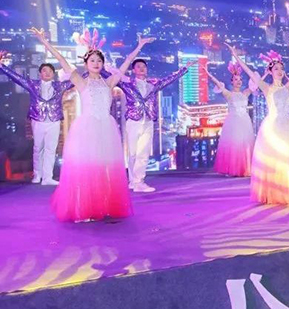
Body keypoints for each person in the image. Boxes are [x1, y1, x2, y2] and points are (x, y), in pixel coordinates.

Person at [30, 27, 152, 222]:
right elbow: (61, 59)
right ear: (86, 64)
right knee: (85, 170)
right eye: (92, 60)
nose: (96, 63)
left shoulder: (109, 82)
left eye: (99, 61)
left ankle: (103, 205)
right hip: (87, 129)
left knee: (105, 169)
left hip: (106, 129)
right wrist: (44, 41)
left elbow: (125, 64)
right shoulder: (80, 81)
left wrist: (139, 46)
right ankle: (82, 209)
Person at [231, 44, 289, 205]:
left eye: (281, 68)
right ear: (270, 71)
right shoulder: (266, 88)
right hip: (273, 126)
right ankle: (274, 192)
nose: (280, 71)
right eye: (276, 69)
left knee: (288, 159)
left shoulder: (288, 86)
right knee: (274, 159)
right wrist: (235, 56)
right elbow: (249, 72)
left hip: (287, 127)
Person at [115, 57, 191, 193]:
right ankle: (132, 181)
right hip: (133, 121)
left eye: (143, 66)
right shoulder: (127, 84)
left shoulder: (153, 83)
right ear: (133, 70)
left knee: (143, 153)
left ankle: (139, 181)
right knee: (132, 154)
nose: (141, 69)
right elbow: (111, 77)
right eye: (138, 67)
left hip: (148, 121)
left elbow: (169, 79)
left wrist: (184, 69)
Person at [0, 51, 73, 185]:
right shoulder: (33, 84)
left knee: (51, 149)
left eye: (50, 71)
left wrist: (91, 70)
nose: (47, 73)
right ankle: (37, 175)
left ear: (53, 73)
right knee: (38, 148)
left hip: (54, 120)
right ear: (40, 74)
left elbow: (76, 80)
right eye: (44, 71)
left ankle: (47, 177)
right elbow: (16, 77)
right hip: (38, 120)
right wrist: (1, 66)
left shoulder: (59, 86)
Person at [206, 62, 255, 176]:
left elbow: (257, 83)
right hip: (234, 122)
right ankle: (234, 169)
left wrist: (266, 73)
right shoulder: (228, 94)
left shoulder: (245, 93)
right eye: (236, 79)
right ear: (231, 81)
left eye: (240, 79)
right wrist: (208, 73)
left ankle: (244, 168)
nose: (238, 81)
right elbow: (218, 83)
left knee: (245, 145)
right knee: (235, 144)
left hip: (245, 121)